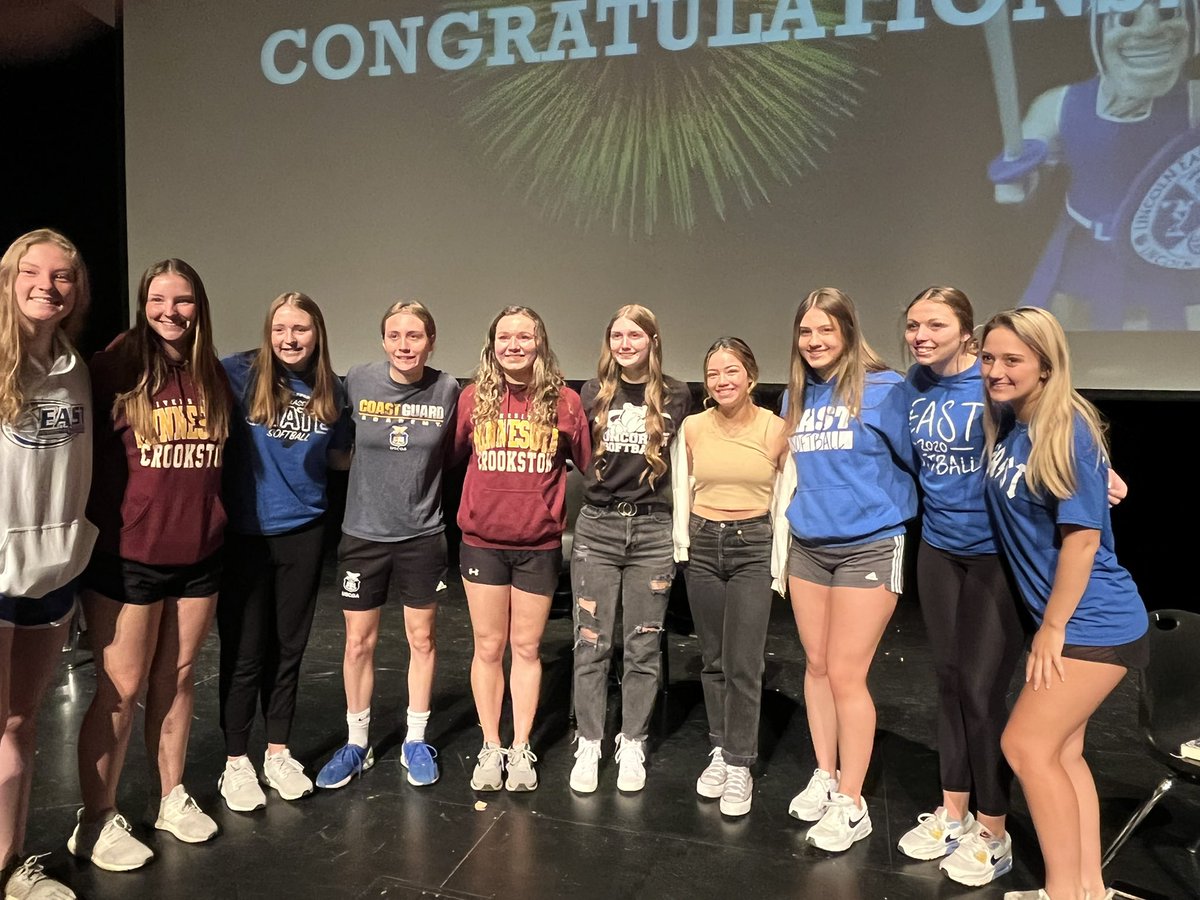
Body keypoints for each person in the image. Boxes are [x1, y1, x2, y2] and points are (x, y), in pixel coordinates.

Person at [979, 307, 1148, 900]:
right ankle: (1087, 892)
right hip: (1078, 619)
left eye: (1013, 360)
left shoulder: (1065, 427)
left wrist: (1052, 628)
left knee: (1024, 745)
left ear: (1046, 367)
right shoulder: (1015, 423)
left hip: (1091, 620)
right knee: (1064, 753)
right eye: (990, 358)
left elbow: (1081, 541)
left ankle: (1065, 895)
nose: (997, 371)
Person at [72, 259, 232, 871]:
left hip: (199, 555)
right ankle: (96, 820)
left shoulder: (211, 372)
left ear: (199, 305)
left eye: (184, 299)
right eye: (159, 298)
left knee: (180, 676)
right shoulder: (113, 365)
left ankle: (170, 796)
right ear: (143, 303)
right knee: (121, 689)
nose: (171, 310)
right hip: (127, 556)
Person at [781, 287, 917, 851]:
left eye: (825, 332)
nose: (814, 342)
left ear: (848, 333)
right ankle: (826, 772)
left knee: (845, 672)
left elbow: (925, 459)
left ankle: (853, 802)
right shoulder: (798, 396)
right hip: (809, 546)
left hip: (870, 544)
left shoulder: (886, 391)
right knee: (815, 666)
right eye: (806, 332)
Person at [897, 286, 1025, 884]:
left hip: (997, 556)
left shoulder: (992, 382)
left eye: (935, 325)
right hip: (939, 550)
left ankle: (993, 830)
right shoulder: (911, 388)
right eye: (913, 324)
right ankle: (953, 811)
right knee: (947, 683)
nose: (921, 335)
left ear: (966, 334)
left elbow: (1054, 421)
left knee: (981, 691)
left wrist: (1099, 471)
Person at [315, 301, 460, 790]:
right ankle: (358, 743)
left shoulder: (447, 389)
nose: (404, 345)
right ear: (383, 341)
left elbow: (456, 454)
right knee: (358, 643)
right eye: (395, 335)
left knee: (422, 640)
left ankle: (415, 740)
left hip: (422, 536)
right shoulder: (357, 379)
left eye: (415, 335)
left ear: (431, 341)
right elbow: (334, 449)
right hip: (363, 534)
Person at [216, 292, 351, 810]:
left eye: (301, 329)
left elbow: (339, 457)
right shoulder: (237, 374)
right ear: (267, 333)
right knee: (246, 651)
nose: (290, 339)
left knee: (289, 648)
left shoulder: (331, 391)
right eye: (280, 329)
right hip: (246, 534)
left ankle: (277, 752)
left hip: (305, 531)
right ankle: (235, 762)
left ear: (318, 334)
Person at [989, 0, 1199, 330]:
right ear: (1099, 28)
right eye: (1128, 18)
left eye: (1169, 13)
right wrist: (1020, 179)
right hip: (1084, 262)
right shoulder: (1057, 105)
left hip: (1171, 260)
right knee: (1057, 346)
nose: (1149, 28)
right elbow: (1025, 178)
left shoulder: (1194, 101)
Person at [454, 306, 590, 793]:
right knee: (488, 647)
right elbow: (454, 459)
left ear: (540, 343)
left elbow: (588, 464)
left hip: (538, 545)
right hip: (482, 543)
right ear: (493, 345)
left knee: (527, 648)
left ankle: (521, 746)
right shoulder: (473, 399)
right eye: (505, 337)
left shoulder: (566, 402)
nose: (514, 345)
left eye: (524, 336)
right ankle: (491, 745)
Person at [0, 229, 96, 900]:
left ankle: (10, 864)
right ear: (8, 281)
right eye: (32, 272)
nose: (47, 285)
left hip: (52, 571)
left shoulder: (75, 367)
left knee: (21, 723)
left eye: (61, 275)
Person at [568, 305, 691, 794]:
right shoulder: (593, 393)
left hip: (652, 531)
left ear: (652, 340)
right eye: (616, 335)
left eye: (634, 335)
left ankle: (633, 741)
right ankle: (589, 741)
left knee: (642, 644)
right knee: (592, 642)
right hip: (598, 528)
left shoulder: (677, 394)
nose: (625, 343)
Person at [672, 337, 787, 818]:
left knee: (744, 661)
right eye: (714, 373)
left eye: (732, 371)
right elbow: (682, 485)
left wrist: (779, 563)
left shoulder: (775, 429)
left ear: (752, 376)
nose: (722, 381)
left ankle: (740, 760)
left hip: (752, 544)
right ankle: (720, 749)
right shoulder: (694, 426)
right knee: (713, 658)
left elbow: (784, 496)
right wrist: (684, 544)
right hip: (704, 543)